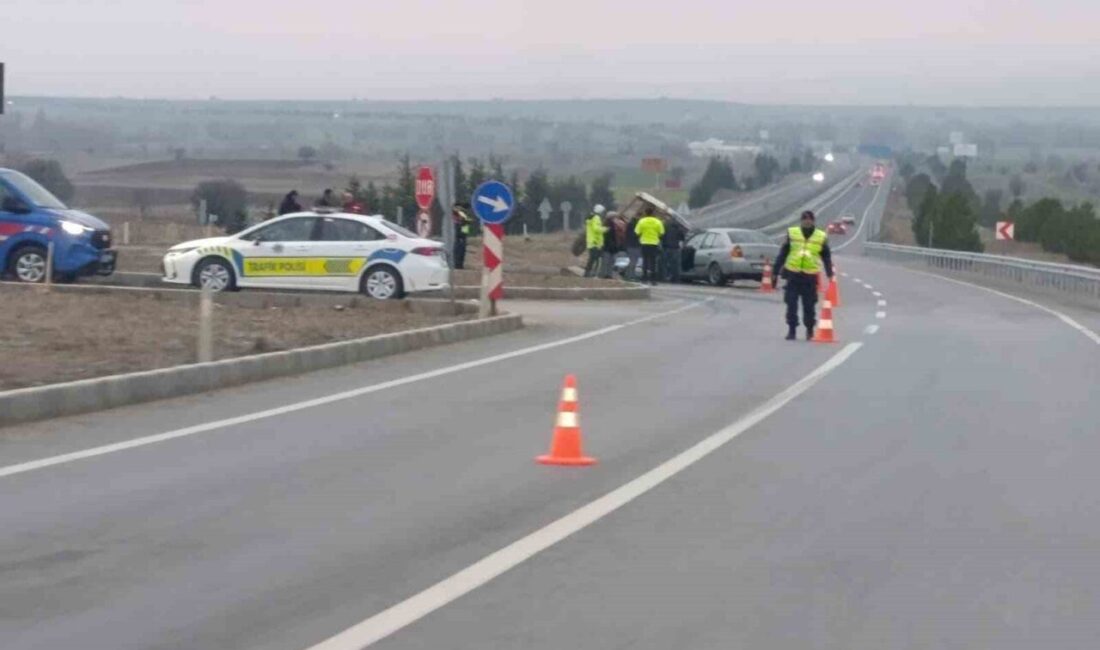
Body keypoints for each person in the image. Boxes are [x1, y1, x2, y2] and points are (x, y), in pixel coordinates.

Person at [772, 210, 834, 340]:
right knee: (791, 303)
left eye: (809, 219)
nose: (807, 221)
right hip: (793, 275)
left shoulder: (820, 236)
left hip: (809, 277)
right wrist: (775, 271)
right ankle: (792, 330)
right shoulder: (793, 234)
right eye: (805, 219)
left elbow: (826, 257)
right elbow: (783, 254)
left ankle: (810, 330)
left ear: (813, 221)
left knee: (809, 305)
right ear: (801, 221)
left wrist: (829, 273)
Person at [635, 207, 666, 285]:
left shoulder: (641, 221)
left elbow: (637, 232)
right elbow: (662, 233)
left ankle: (644, 279)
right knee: (653, 262)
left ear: (645, 213)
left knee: (645, 261)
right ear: (653, 213)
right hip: (654, 243)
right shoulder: (658, 222)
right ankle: (653, 280)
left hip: (644, 243)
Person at [584, 204, 608, 277]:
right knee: (597, 259)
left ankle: (588, 273)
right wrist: (605, 229)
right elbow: (596, 229)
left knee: (592, 259)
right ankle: (594, 274)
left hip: (591, 242)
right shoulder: (596, 218)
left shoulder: (590, 218)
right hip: (596, 242)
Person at [600, 212, 622, 279]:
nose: (616, 219)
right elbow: (607, 237)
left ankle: (608, 275)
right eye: (615, 217)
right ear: (611, 218)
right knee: (606, 262)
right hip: (608, 247)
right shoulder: (607, 226)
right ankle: (604, 275)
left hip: (611, 247)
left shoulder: (613, 225)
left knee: (610, 262)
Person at [452, 203, 473, 269]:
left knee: (461, 250)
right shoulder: (459, 212)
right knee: (459, 250)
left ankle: (459, 265)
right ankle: (458, 265)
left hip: (462, 231)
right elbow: (467, 220)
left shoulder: (462, 213)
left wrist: (466, 221)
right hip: (459, 233)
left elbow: (468, 220)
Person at [624, 212, 642, 281]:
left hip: (629, 245)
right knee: (634, 261)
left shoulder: (629, 224)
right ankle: (631, 276)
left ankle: (627, 274)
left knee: (631, 260)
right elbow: (637, 235)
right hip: (635, 245)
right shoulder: (638, 225)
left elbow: (627, 234)